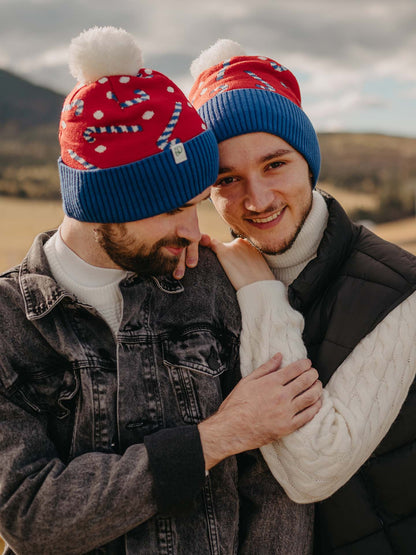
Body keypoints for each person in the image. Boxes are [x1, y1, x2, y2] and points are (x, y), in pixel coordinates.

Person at [0, 28, 323, 554]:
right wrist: (215, 438)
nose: (195, 231)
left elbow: (273, 486)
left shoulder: (213, 288)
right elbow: (31, 517)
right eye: (172, 209)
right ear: (102, 204)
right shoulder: (10, 323)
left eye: (196, 204)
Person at [187, 39, 416, 554]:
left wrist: (264, 295)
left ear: (309, 163)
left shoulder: (400, 290)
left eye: (275, 164)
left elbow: (313, 472)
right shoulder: (206, 282)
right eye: (228, 178)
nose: (258, 199)